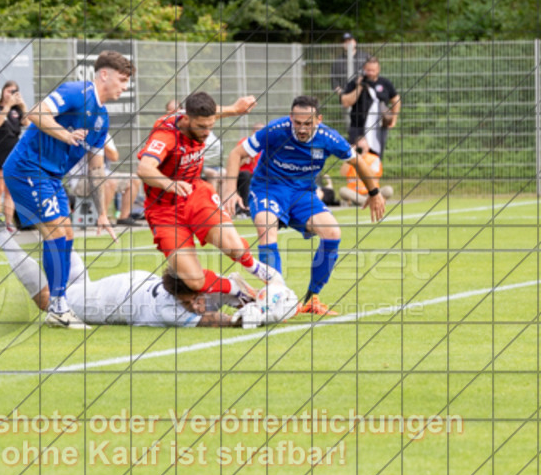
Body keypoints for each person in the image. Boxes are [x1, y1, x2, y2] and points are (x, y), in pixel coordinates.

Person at [3, 50, 135, 328]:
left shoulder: (101, 118)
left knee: (67, 235)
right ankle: (58, 307)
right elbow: (36, 112)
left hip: (51, 177)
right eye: (122, 80)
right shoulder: (76, 92)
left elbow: (96, 168)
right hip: (28, 167)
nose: (125, 86)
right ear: (104, 75)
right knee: (55, 233)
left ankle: (60, 303)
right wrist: (65, 134)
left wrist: (103, 213)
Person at [224, 95, 387, 314]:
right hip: (268, 189)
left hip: (302, 194)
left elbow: (357, 161)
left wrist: (374, 193)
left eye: (308, 124)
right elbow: (236, 154)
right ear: (291, 117)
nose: (302, 129)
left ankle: (313, 298)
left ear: (319, 119)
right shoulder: (276, 130)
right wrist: (230, 190)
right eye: (297, 123)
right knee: (266, 226)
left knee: (332, 232)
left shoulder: (329, 137)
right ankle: (277, 298)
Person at [136, 91, 281, 297]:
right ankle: (241, 291)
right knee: (193, 280)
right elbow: (144, 168)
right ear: (186, 118)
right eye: (201, 127)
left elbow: (213, 113)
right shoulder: (166, 135)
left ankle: (261, 272)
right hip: (163, 210)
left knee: (234, 246)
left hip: (195, 193)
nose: (206, 132)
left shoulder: (200, 118)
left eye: (210, 126)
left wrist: (235, 109)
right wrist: (169, 184)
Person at [0, 233, 298, 328]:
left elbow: (241, 293)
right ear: (178, 297)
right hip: (107, 301)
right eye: (191, 302)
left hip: (130, 286)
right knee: (49, 301)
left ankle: (48, 227)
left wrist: (264, 299)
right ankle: (1, 235)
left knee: (73, 279)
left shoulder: (198, 284)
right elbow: (221, 321)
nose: (197, 306)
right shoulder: (171, 311)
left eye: (197, 299)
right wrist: (255, 317)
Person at [66, 134, 143, 226]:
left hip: (104, 174)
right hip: (80, 180)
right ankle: (102, 218)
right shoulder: (77, 133)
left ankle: (124, 217)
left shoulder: (104, 135)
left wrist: (100, 140)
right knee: (109, 181)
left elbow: (114, 157)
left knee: (134, 179)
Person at [339, 56, 400, 157]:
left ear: (378, 69)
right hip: (358, 127)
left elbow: (396, 99)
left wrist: (394, 118)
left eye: (373, 70)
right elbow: (345, 102)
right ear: (364, 69)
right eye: (368, 70)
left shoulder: (385, 83)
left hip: (379, 127)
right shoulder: (355, 82)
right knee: (356, 156)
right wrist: (359, 87)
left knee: (375, 156)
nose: (370, 73)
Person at [0, 81, 27, 231]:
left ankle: (9, 223)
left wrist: (23, 106)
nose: (11, 94)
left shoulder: (17, 110)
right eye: (9, 91)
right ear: (3, 91)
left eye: (14, 91)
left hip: (14, 151)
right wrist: (8, 106)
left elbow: (28, 124)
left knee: (10, 190)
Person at [339, 136, 395, 206]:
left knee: (388, 190)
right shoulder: (352, 159)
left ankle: (359, 202)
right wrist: (350, 155)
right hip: (355, 193)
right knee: (342, 190)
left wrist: (361, 161)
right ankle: (368, 201)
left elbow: (372, 174)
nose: (362, 150)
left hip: (372, 191)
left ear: (368, 147)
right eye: (360, 148)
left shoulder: (373, 158)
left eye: (364, 147)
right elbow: (343, 173)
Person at [330, 32, 371, 108]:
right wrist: (344, 94)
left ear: (355, 42)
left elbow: (373, 75)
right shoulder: (337, 62)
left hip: (365, 96)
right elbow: (334, 83)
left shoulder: (365, 57)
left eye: (350, 40)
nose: (348, 43)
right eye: (345, 41)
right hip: (347, 100)